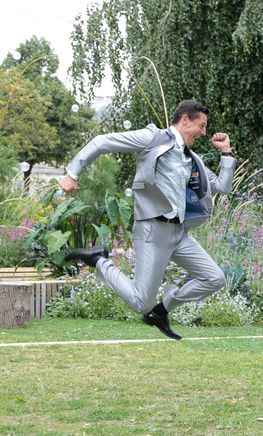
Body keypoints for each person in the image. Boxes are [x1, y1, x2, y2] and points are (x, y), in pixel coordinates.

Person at [59, 100, 236, 340]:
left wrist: (225, 152)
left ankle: (161, 311)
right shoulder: (152, 138)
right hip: (152, 230)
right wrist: (72, 173)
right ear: (185, 120)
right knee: (141, 302)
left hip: (179, 233)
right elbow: (102, 142)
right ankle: (99, 260)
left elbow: (223, 187)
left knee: (214, 278)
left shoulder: (193, 159)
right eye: (201, 125)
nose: (204, 133)